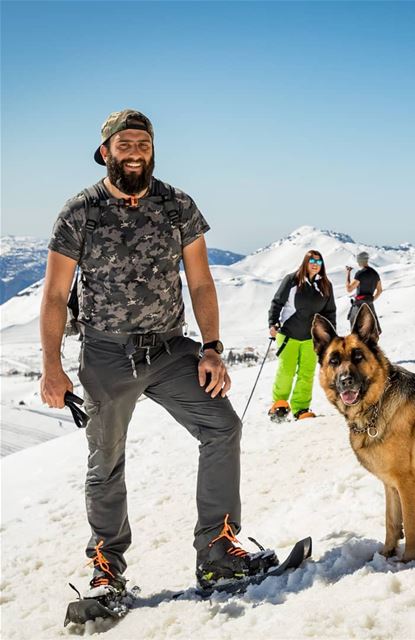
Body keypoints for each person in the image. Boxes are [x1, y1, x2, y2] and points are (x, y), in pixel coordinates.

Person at [40, 109, 257, 597]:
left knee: (222, 425)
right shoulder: (81, 211)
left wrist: (212, 348)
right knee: (106, 461)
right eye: (125, 144)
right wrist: (52, 367)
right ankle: (107, 568)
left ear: (153, 149)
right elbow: (55, 295)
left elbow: (200, 281)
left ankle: (218, 552)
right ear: (106, 152)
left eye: (143, 143)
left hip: (169, 349)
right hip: (105, 356)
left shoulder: (178, 205)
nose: (135, 152)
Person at [268, 250, 336, 421]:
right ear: (305, 262)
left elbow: (330, 312)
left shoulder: (325, 285)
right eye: (312, 260)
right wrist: (273, 323)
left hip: (311, 339)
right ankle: (280, 404)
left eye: (319, 262)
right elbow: (277, 302)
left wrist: (331, 335)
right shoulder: (292, 280)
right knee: (287, 370)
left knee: (306, 373)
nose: (315, 264)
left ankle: (301, 408)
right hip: (289, 334)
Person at [346, 252, 383, 333]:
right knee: (373, 329)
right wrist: (372, 299)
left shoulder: (360, 274)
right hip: (370, 304)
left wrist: (348, 273)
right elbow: (379, 290)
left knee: (355, 330)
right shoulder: (375, 273)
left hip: (359, 305)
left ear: (360, 260)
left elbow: (349, 289)